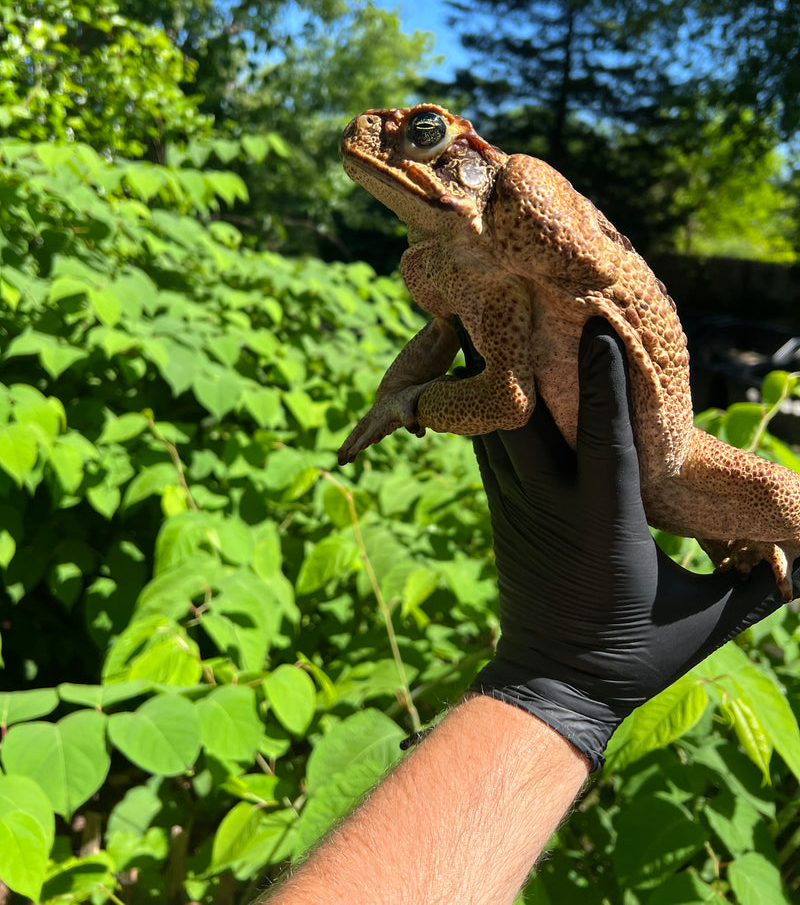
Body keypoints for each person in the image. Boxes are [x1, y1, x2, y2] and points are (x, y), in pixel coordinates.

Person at [264, 319, 796, 904]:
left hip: (661, 438)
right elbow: (490, 379)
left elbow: (506, 396)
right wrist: (564, 691)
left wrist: (560, 687)